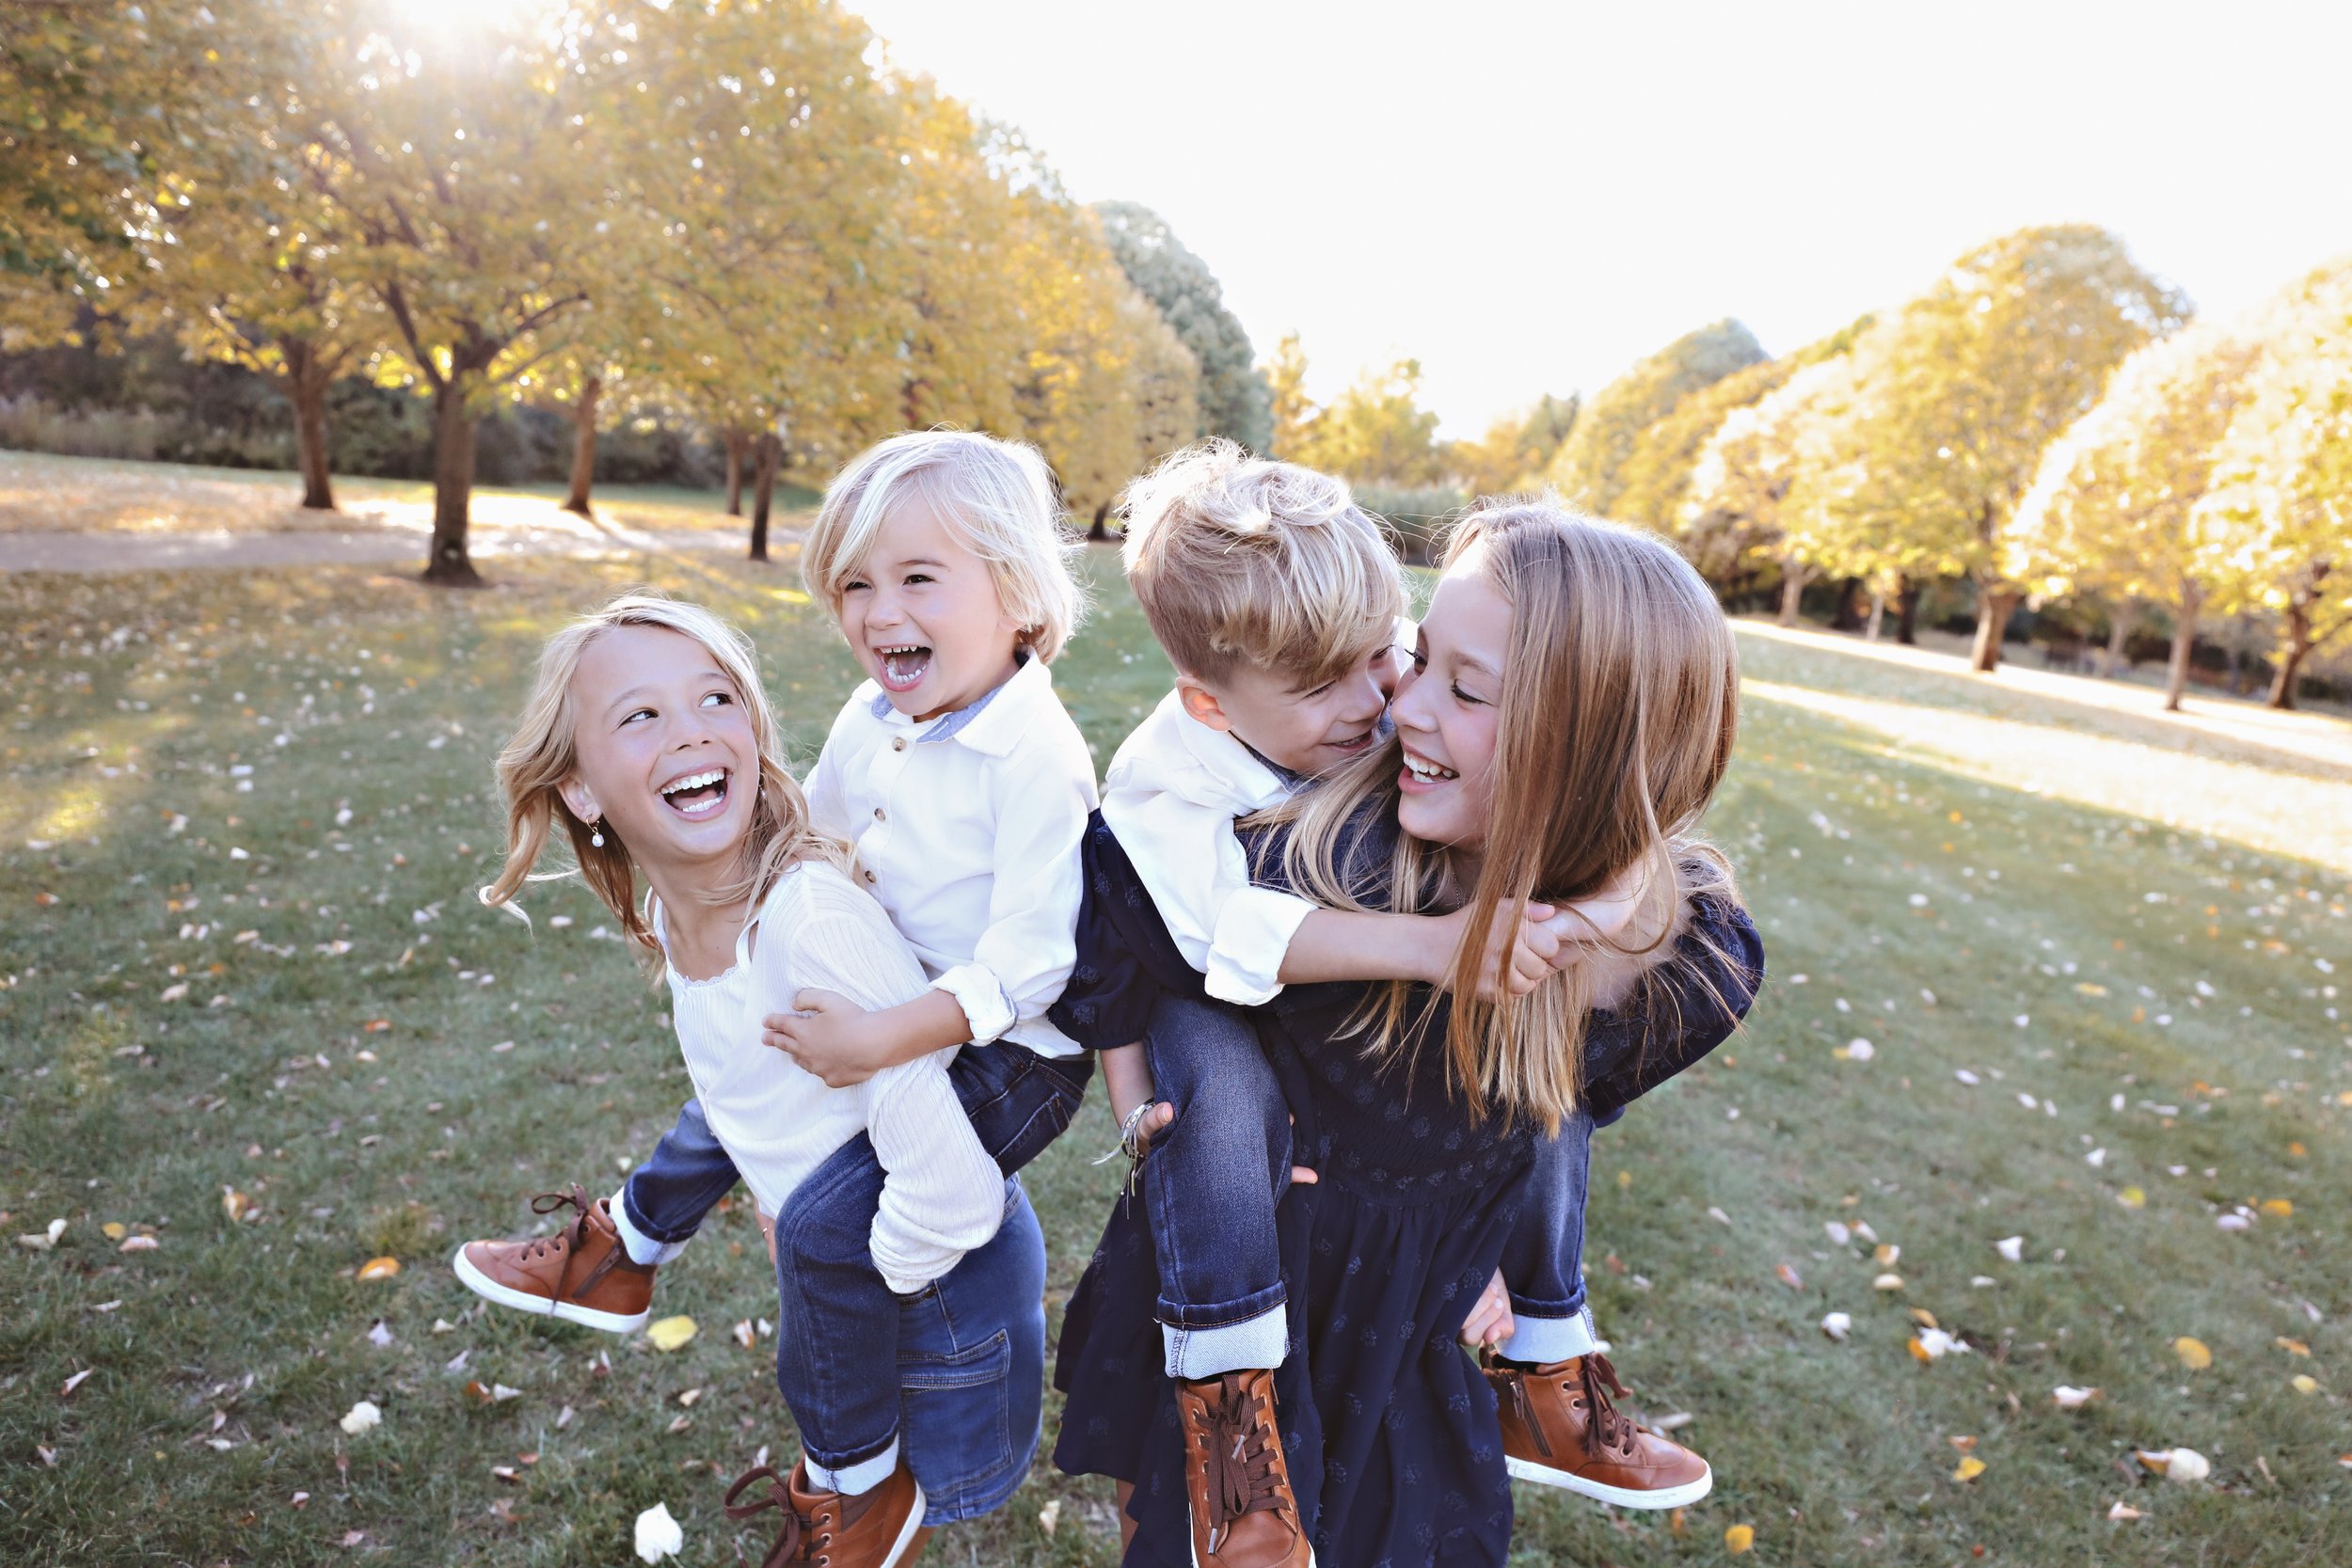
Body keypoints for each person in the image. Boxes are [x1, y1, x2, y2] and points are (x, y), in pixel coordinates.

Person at [1053, 499, 1765, 1566]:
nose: (1402, 706)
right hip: (1261, 1301)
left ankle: (1548, 1363)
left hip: (1421, 1337)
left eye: (1460, 686)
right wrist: (1146, 1114)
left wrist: (1593, 910)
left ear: (1593, 750)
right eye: (1418, 659)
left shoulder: (1688, 957)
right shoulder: (1315, 859)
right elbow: (1133, 907)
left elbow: (1561, 1109)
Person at [452, 594, 1040, 1567]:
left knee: (893, 1508)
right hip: (877, 1291)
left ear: (752, 735)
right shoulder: (687, 912)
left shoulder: (806, 923)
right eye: (639, 714)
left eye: (715, 697)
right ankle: (624, 1248)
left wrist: (831, 1263)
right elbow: (746, 1095)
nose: (689, 731)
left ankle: (855, 1491)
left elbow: (955, 1189)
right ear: (582, 791)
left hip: (938, 1297)